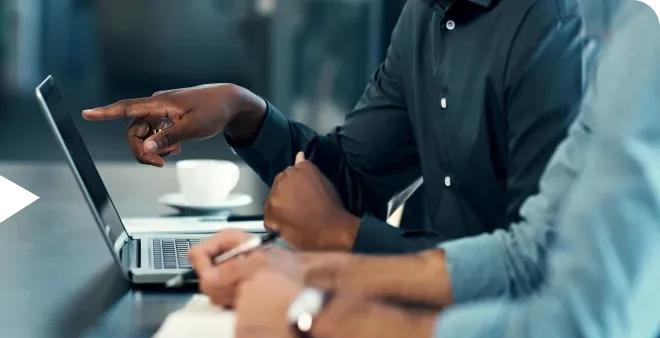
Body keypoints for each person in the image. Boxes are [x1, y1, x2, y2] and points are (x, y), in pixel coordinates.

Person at [187, 0, 660, 338]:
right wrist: (296, 269)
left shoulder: (595, 33)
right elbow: (525, 256)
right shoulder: (616, 29)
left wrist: (311, 312)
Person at [82, 0, 584, 253]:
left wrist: (343, 236)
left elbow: (537, 266)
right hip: (435, 320)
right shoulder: (423, 18)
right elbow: (348, 181)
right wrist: (243, 111)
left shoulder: (553, 28)